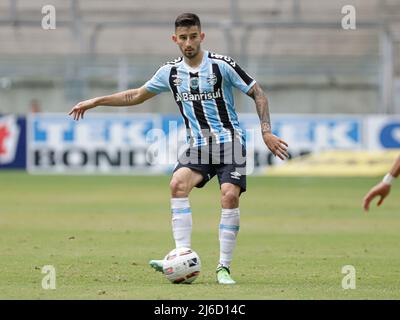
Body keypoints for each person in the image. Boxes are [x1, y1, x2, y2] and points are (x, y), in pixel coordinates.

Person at [68, 13, 289, 284]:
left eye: (193, 36)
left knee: (229, 195)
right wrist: (94, 101)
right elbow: (135, 95)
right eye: (183, 38)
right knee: (177, 185)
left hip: (230, 142)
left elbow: (258, 92)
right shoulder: (170, 72)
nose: (188, 43)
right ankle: (181, 255)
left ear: (201, 36)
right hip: (198, 145)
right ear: (175, 39)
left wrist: (265, 131)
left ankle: (223, 268)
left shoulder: (222, 66)